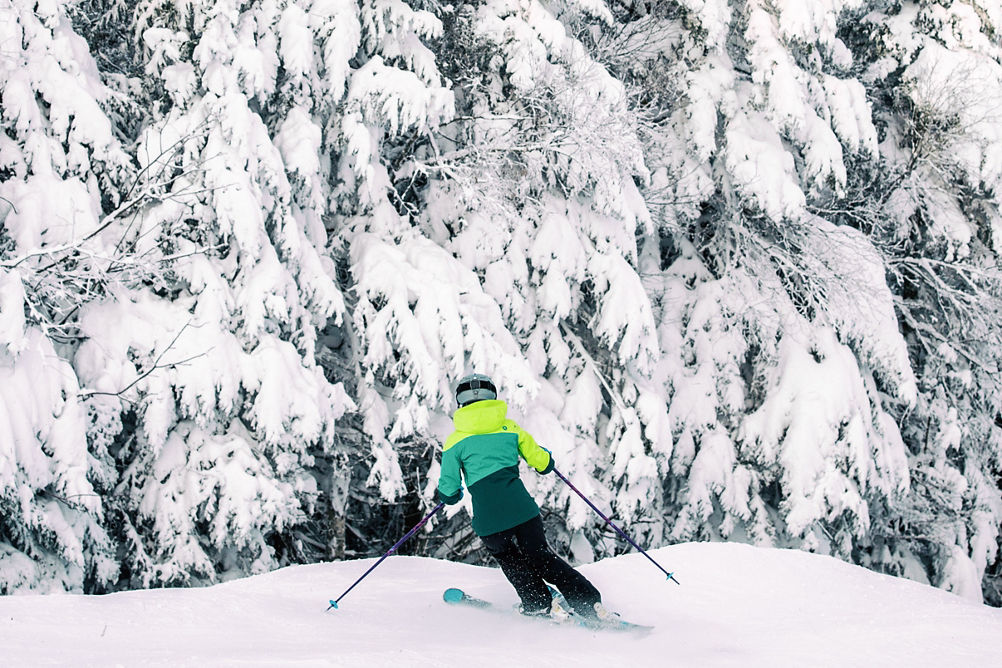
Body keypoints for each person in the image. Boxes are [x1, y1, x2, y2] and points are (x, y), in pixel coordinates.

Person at [437, 373, 608, 620]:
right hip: (523, 511)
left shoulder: (454, 442)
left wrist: (452, 494)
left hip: (490, 520)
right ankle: (588, 602)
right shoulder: (510, 429)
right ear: (492, 397)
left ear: (460, 403)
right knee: (541, 557)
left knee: (510, 559)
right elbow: (542, 462)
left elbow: (449, 492)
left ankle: (538, 603)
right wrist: (546, 460)